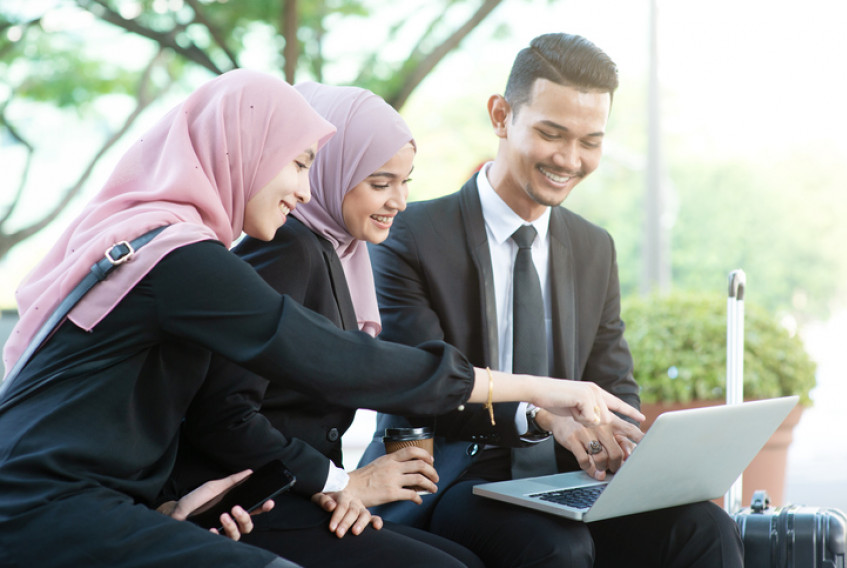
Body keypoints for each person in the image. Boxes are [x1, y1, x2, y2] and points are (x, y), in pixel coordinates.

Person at [0, 69, 641, 568]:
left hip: (100, 499)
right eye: (300, 162)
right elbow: (336, 362)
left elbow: (124, 411)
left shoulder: (174, 245)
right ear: (243, 150)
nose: (307, 189)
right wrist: (539, 391)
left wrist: (173, 499)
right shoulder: (181, 257)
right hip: (46, 504)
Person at [359, 33, 746, 567]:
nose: (570, 159)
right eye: (551, 133)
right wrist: (541, 415)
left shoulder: (594, 246)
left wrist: (621, 438)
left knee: (706, 529)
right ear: (501, 116)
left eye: (591, 141)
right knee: (556, 547)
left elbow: (613, 382)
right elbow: (425, 386)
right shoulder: (411, 235)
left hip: (571, 477)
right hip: (458, 477)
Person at [164, 82, 483, 567]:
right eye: (381, 183)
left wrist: (338, 490)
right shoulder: (286, 247)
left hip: (299, 491)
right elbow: (225, 414)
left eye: (405, 182)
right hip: (248, 502)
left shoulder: (338, 253)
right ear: (333, 171)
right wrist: (340, 482)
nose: (399, 201)